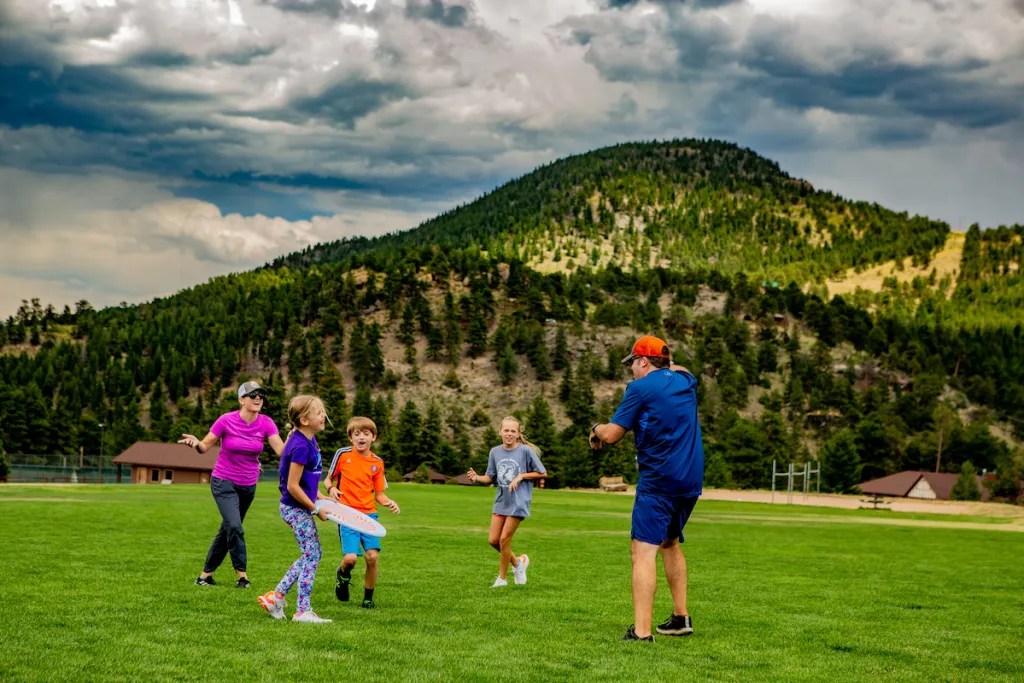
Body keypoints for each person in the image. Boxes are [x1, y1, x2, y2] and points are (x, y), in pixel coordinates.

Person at [589, 336, 704, 642]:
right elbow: (678, 368)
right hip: (690, 481)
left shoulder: (639, 388)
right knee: (669, 543)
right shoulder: (686, 381)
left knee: (642, 551)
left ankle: (641, 632)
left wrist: (595, 429)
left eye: (633, 365)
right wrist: (664, 364)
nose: (631, 372)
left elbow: (612, 435)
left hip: (658, 481)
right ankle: (681, 618)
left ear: (642, 362)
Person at [179, 380, 285, 588]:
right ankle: (242, 576)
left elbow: (281, 450)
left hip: (248, 485)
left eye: (261, 395)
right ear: (241, 399)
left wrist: (294, 438)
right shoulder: (226, 420)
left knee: (228, 529)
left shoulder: (266, 423)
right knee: (235, 526)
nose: (257, 398)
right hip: (223, 481)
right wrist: (195, 444)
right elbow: (205, 446)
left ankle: (205, 576)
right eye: (252, 395)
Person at [257, 395, 333, 623]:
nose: (324, 415)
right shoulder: (300, 445)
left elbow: (306, 480)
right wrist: (315, 509)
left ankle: (277, 597)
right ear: (304, 420)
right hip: (295, 509)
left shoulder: (309, 441)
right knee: (312, 554)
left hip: (299, 506)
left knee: (313, 553)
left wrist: (321, 496)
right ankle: (302, 611)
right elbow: (292, 485)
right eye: (318, 412)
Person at [323, 416, 400, 609]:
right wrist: (331, 489)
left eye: (366, 433)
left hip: (369, 515)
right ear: (351, 438)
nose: (361, 437)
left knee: (372, 556)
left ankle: (368, 598)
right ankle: (342, 575)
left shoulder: (377, 463)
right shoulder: (342, 455)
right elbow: (327, 481)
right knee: (350, 560)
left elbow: (380, 495)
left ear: (373, 437)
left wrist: (389, 502)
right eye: (356, 434)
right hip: (346, 514)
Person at [467, 416, 546, 588]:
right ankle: (518, 563)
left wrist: (521, 476)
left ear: (518, 434)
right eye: (506, 430)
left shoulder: (525, 451)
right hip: (502, 501)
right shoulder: (495, 452)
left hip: (518, 502)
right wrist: (477, 478)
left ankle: (502, 580)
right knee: (493, 540)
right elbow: (490, 477)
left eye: (513, 431)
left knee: (504, 540)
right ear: (500, 432)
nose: (509, 434)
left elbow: (542, 473)